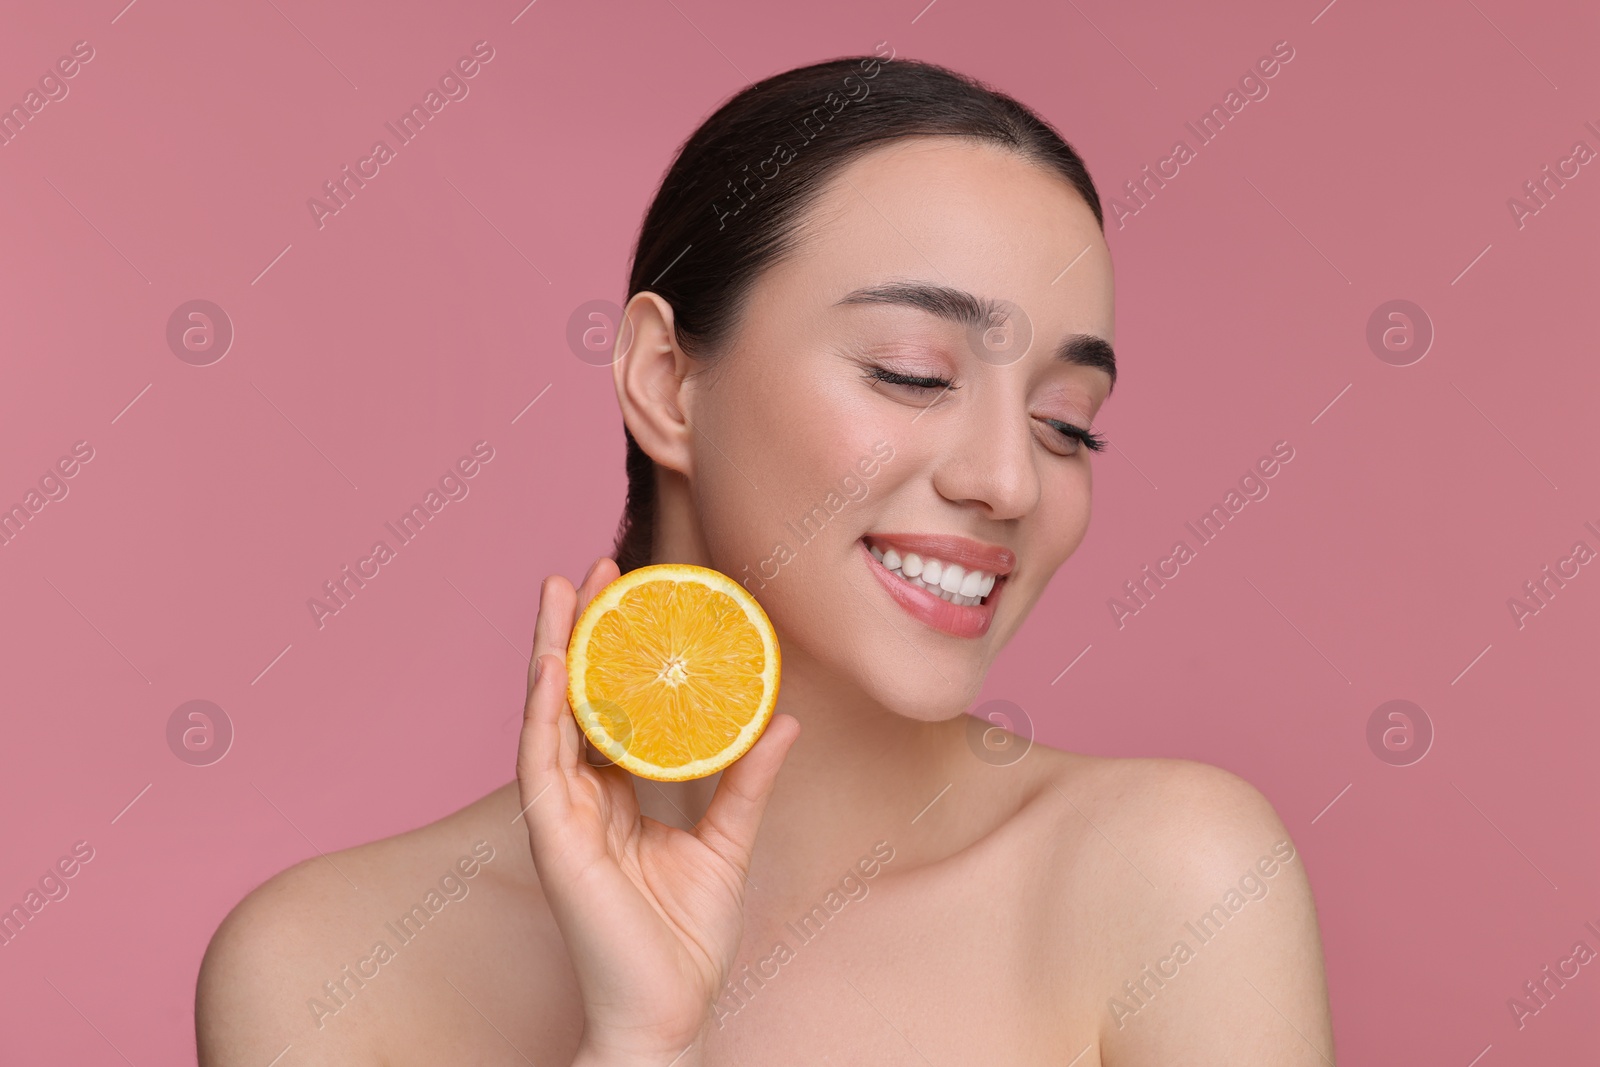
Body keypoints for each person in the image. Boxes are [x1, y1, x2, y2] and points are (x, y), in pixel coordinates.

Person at [196, 51, 1334, 1066]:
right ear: (664, 382)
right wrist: (644, 1042)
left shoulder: (1172, 882)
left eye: (1066, 421)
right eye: (911, 371)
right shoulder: (324, 968)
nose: (1010, 480)